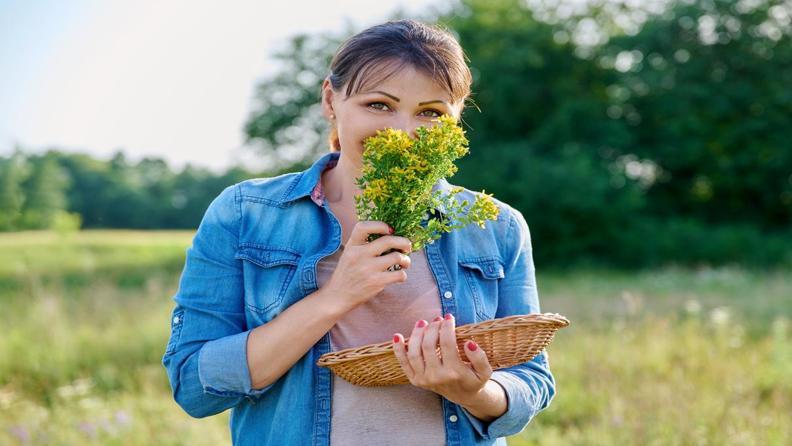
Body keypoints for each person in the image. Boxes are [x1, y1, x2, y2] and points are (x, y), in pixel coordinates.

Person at [162, 19, 555, 446]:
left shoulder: (496, 225)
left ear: (456, 121)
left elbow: (531, 381)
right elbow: (193, 386)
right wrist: (336, 296)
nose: (403, 133)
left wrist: (475, 393)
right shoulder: (245, 214)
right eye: (379, 105)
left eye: (431, 113)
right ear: (331, 100)